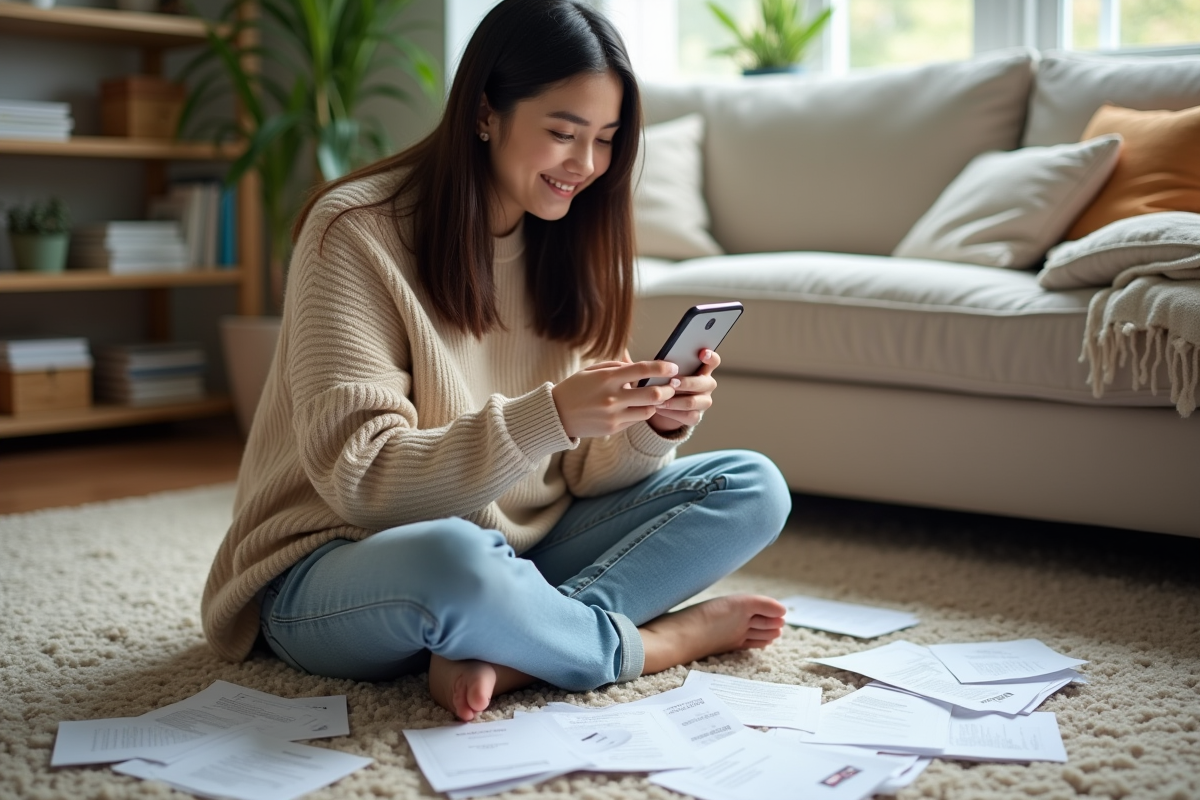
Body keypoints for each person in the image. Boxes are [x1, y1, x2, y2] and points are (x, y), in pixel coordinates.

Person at [202, 0, 792, 722]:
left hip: (516, 551)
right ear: (486, 112)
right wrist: (552, 414)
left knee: (753, 486)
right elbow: (362, 479)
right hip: (336, 563)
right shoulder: (354, 233)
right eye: (562, 133)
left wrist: (648, 425)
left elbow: (581, 472)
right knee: (455, 562)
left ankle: (517, 644)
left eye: (606, 140)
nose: (586, 165)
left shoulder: (571, 239)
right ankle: (642, 645)